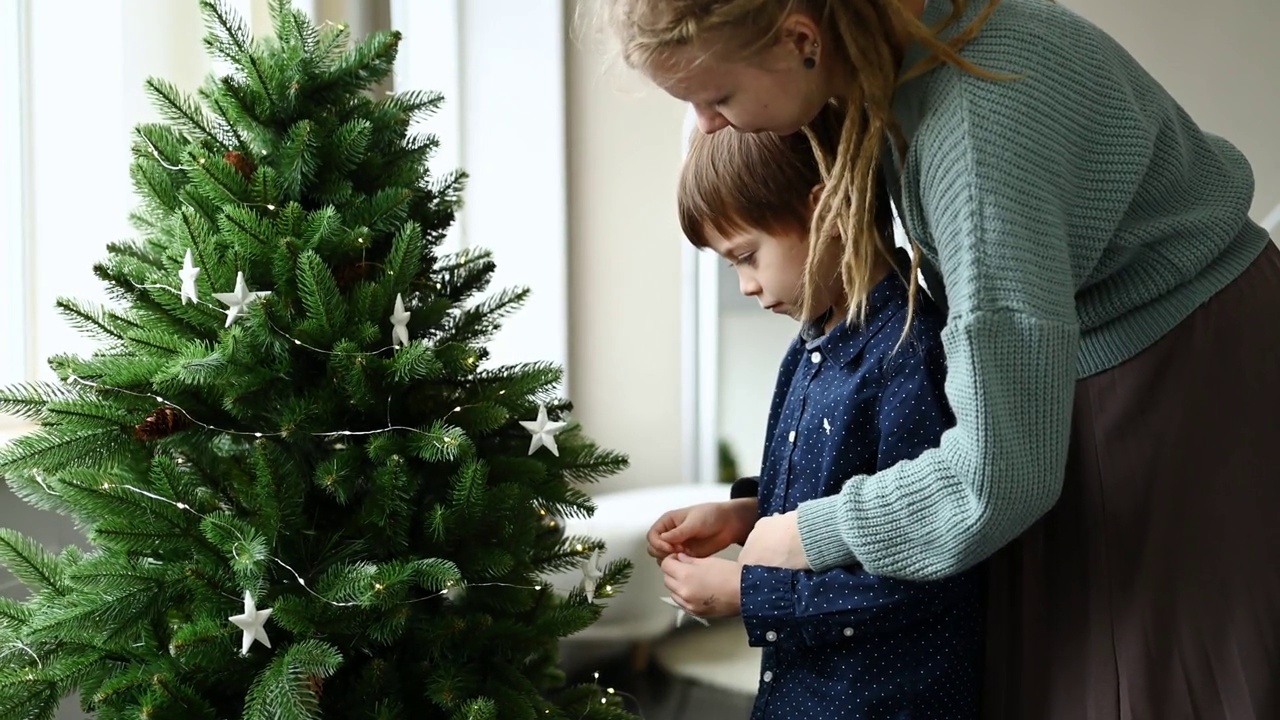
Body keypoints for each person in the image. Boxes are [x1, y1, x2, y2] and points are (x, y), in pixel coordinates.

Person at [613, 0, 1280, 717]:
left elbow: (995, 482)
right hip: (1096, 366)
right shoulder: (925, 44)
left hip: (1178, 380)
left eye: (718, 96)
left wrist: (800, 535)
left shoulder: (974, 139)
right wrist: (754, 514)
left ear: (802, 38)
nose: (708, 125)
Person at [659, 103, 983, 718]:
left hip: (879, 701)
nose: (745, 285)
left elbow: (925, 567)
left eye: (746, 256)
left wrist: (749, 594)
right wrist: (742, 515)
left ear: (826, 209)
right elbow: (834, 496)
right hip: (802, 693)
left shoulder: (909, 355)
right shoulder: (809, 346)